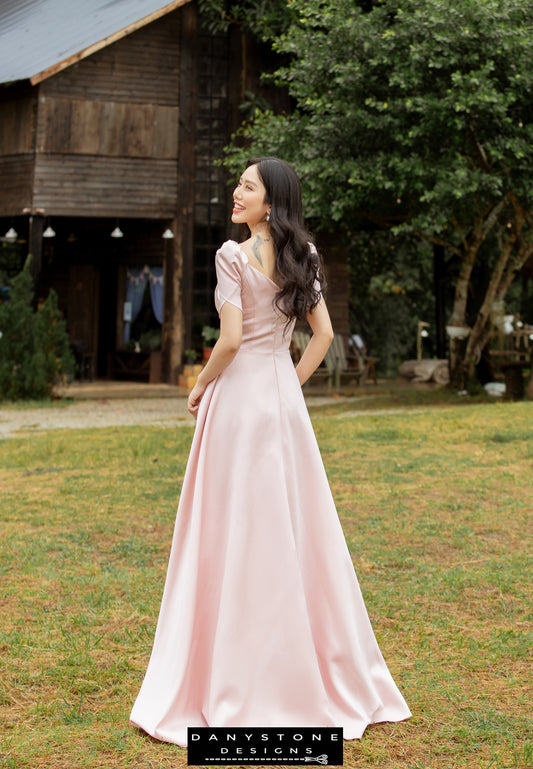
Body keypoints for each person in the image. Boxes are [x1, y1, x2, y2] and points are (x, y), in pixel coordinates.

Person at [130, 157, 411, 746]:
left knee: (233, 529)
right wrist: (290, 384)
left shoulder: (231, 256)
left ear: (271, 201)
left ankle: (232, 672)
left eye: (248, 187)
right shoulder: (303, 257)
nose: (237, 192)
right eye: (239, 184)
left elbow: (231, 341)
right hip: (281, 402)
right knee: (296, 528)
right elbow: (325, 336)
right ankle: (312, 667)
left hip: (238, 404)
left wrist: (201, 385)